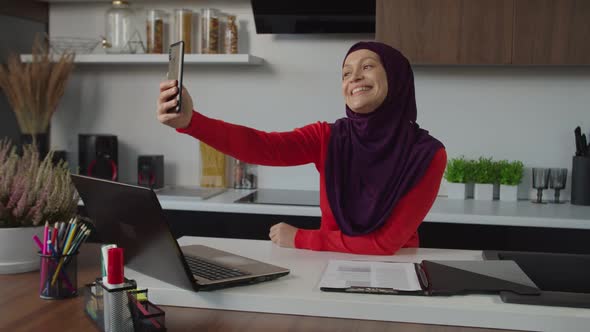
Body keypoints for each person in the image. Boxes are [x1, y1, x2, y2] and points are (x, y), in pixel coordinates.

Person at [157, 41, 446, 255]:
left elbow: (385, 244)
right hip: (331, 263)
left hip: (397, 269)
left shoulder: (428, 155)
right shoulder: (329, 137)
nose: (354, 77)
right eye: (346, 73)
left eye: (367, 66)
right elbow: (263, 146)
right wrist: (192, 122)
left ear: (396, 78)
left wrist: (299, 238)